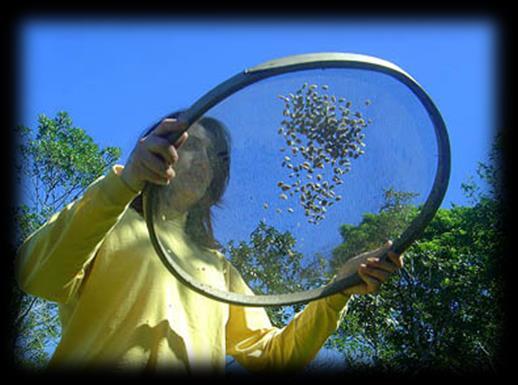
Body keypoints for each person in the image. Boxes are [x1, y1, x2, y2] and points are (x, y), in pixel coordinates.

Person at [15, 112, 404, 374]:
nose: (205, 161)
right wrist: (125, 181)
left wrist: (338, 289)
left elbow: (273, 355)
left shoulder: (218, 269)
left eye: (215, 156)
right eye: (192, 146)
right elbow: (37, 276)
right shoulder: (105, 219)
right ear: (158, 150)